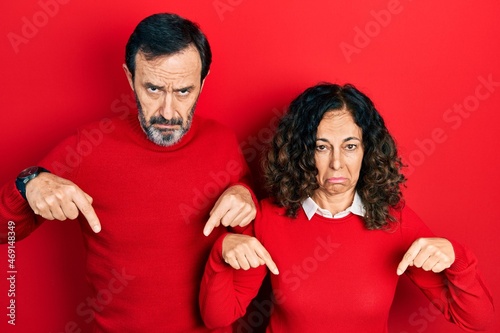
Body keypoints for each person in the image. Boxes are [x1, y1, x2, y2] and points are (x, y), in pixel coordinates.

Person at [0, 13, 258, 332]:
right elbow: (4, 232)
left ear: (202, 82)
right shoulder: (89, 147)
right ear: (129, 77)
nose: (167, 111)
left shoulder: (222, 141)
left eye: (183, 92)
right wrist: (30, 182)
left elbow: (254, 225)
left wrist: (245, 194)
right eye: (152, 89)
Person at [200, 83, 495, 332]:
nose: (337, 163)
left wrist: (456, 258)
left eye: (350, 146)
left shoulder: (394, 220)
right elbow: (217, 318)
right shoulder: (268, 217)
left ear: (368, 150)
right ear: (301, 152)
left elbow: (480, 321)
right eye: (321, 146)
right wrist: (222, 252)